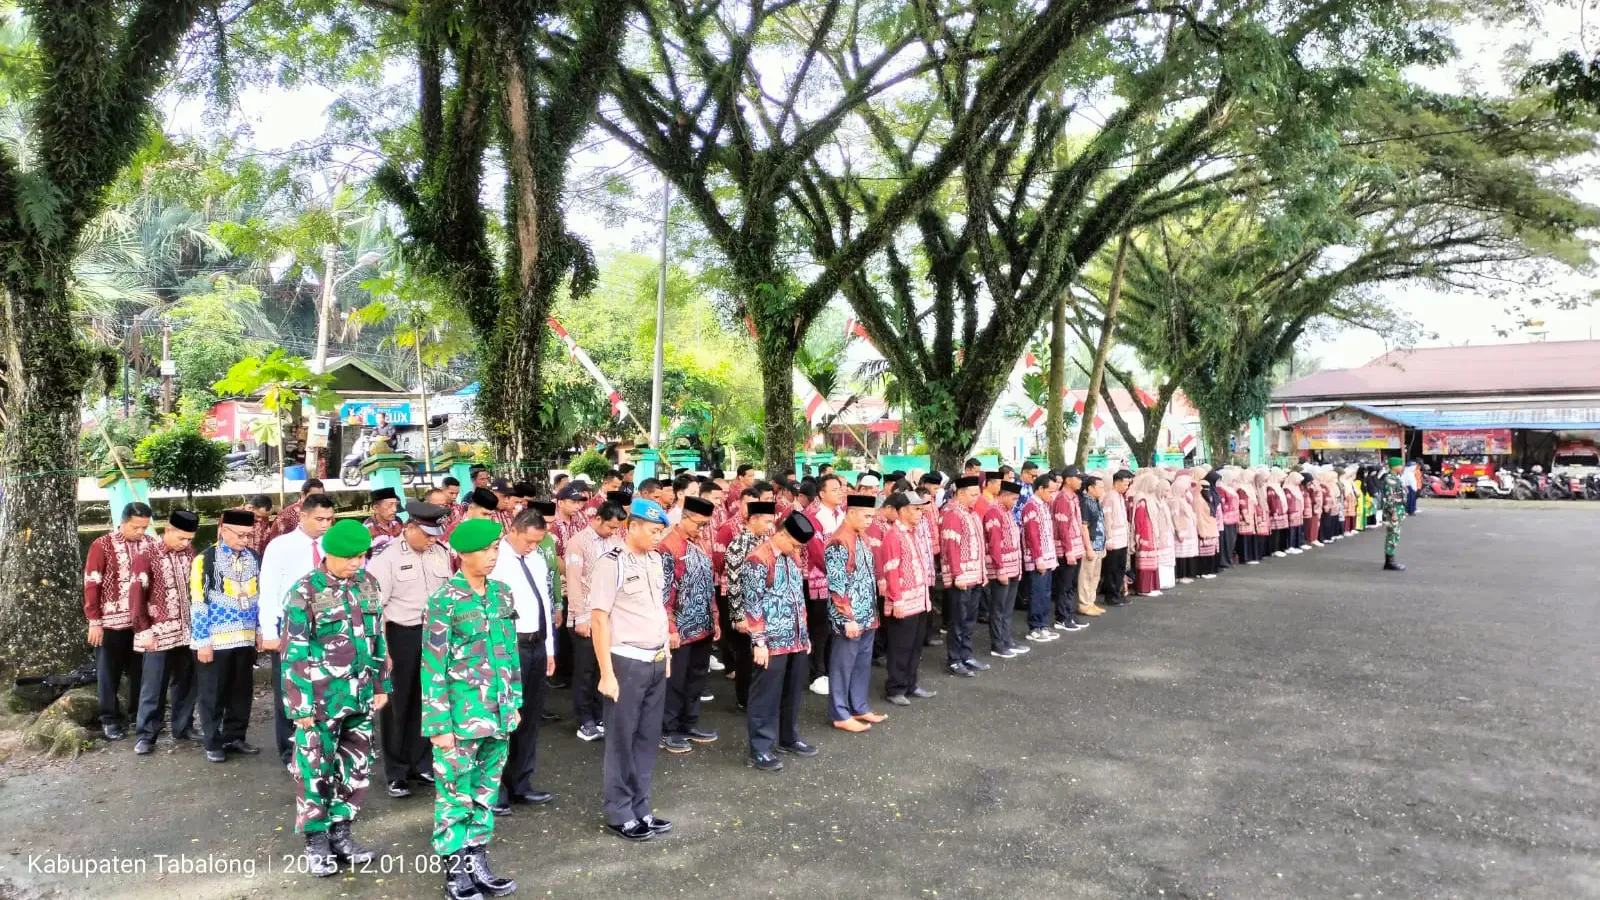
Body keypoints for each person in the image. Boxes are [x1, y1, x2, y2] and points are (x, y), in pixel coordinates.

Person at [280, 519, 389, 876]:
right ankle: (316, 842)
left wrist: (381, 685)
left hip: (359, 696)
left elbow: (376, 638)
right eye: (349, 558)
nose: (356, 563)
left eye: (361, 556)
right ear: (329, 554)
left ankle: (342, 833)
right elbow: (292, 651)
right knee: (315, 769)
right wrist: (300, 706)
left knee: (355, 767)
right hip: (320, 699)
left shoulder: (367, 583)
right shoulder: (304, 591)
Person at [420, 518, 520, 899]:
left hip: (498, 714)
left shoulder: (502, 594)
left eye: (495, 548)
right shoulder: (444, 600)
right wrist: (438, 724)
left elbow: (509, 655)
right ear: (462, 554)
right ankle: (456, 874)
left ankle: (478, 862)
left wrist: (516, 703)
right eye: (484, 550)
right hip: (459, 719)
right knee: (453, 794)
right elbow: (432, 667)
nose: (492, 556)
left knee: (485, 792)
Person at [590, 498, 674, 842]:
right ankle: (619, 812)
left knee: (647, 738)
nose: (658, 537)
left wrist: (666, 652)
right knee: (622, 740)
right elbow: (599, 618)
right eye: (653, 530)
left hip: (654, 660)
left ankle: (641, 806)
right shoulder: (612, 563)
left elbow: (658, 610)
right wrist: (606, 673)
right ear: (633, 526)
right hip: (625, 661)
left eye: (661, 531)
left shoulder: (655, 560)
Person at [367, 501, 453, 798]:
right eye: (428, 534)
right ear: (410, 528)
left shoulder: (440, 553)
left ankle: (421, 762)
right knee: (397, 705)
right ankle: (397, 771)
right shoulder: (386, 559)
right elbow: (374, 609)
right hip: (400, 636)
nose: (433, 540)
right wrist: (383, 650)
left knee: (429, 699)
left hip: (435, 636)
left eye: (435, 534)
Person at [259, 492, 338, 768]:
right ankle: (289, 749)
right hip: (291, 625)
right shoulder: (280, 546)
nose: (326, 524)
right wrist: (268, 629)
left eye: (330, 518)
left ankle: (322, 743)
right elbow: (268, 588)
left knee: (324, 684)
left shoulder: (333, 545)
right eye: (320, 519)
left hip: (329, 625)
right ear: (303, 516)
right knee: (289, 686)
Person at [743, 511, 817, 770]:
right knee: (765, 696)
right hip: (772, 641)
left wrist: (804, 634)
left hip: (795, 638)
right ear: (783, 535)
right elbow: (752, 605)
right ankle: (760, 749)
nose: (798, 550)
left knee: (792, 692)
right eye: (796, 544)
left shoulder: (791, 557)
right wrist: (759, 642)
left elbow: (798, 596)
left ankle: (788, 737)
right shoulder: (758, 558)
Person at [191, 509, 263, 763]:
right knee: (213, 692)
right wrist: (202, 642)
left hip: (244, 637)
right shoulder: (205, 559)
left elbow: (260, 597)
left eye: (249, 535)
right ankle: (212, 741)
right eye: (241, 535)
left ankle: (235, 736)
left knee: (241, 690)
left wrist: (259, 631)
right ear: (224, 531)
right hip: (214, 641)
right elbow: (198, 602)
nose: (245, 540)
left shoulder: (254, 557)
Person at [83, 501, 158, 741]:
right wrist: (94, 620)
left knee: (141, 672)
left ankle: (140, 716)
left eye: (144, 527)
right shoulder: (102, 545)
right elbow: (92, 582)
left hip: (141, 624)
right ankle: (110, 719)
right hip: (110, 623)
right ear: (123, 522)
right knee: (108, 673)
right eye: (136, 527)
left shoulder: (150, 544)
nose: (140, 532)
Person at [131, 509, 200, 754]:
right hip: (158, 632)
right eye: (181, 538)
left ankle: (183, 727)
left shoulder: (190, 554)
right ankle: (146, 735)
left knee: (186, 682)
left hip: (188, 630)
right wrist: (143, 630)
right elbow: (136, 595)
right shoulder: (146, 554)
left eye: (190, 539)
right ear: (168, 531)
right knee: (154, 686)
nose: (186, 543)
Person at [657, 496, 720, 752]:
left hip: (702, 624)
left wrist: (714, 616)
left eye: (706, 525)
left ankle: (688, 723)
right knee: (676, 682)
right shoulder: (668, 547)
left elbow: (709, 585)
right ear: (684, 518)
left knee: (696, 679)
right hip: (680, 629)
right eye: (699, 524)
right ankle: (667, 729)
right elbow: (663, 593)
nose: (702, 529)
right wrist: (670, 627)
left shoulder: (700, 543)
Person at [565, 500, 625, 742]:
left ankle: (602, 715)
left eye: (617, 528)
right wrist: (580, 617)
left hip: (609, 617)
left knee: (606, 668)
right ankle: (585, 720)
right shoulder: (577, 542)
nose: (614, 531)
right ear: (598, 518)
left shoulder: (616, 541)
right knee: (585, 672)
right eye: (611, 526)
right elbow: (573, 582)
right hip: (586, 617)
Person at [826, 494, 884, 732]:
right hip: (849, 617)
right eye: (867, 516)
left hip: (866, 614)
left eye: (872, 516)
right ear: (851, 513)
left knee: (861, 663)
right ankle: (839, 712)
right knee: (843, 665)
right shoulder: (839, 541)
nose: (871, 521)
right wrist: (846, 618)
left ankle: (858, 706)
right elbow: (837, 585)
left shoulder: (860, 537)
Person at [720, 496, 776, 711]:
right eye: (767, 522)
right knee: (745, 656)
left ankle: (759, 697)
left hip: (762, 608)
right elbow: (733, 583)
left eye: (772, 522)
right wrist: (738, 616)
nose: (771, 526)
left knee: (760, 654)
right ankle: (744, 699)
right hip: (744, 610)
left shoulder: (765, 542)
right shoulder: (738, 545)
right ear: (753, 519)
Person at [802, 473, 847, 696]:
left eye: (841, 488)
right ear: (821, 493)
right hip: (819, 580)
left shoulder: (841, 514)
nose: (840, 492)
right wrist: (839, 571)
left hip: (840, 579)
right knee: (819, 628)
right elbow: (817, 552)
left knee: (835, 626)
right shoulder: (812, 516)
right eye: (835, 489)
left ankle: (830, 669)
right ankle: (816, 674)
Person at [939, 475, 988, 678]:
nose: (976, 498)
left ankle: (966, 655)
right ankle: (954, 659)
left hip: (975, 575)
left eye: (977, 494)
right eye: (972, 494)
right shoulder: (952, 514)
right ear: (960, 493)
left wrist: (983, 571)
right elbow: (951, 547)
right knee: (958, 620)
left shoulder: (972, 514)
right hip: (961, 578)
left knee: (969, 619)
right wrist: (957, 574)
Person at [981, 481, 1027, 659]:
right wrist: (1000, 569)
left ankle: (1007, 640)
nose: (1015, 502)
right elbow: (994, 543)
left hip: (1013, 567)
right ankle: (998, 643)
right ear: (1005, 495)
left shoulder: (1007, 512)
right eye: (1014, 498)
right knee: (998, 608)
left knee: (1008, 608)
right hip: (1002, 569)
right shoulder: (994, 511)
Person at [1019, 473, 1062, 642]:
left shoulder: (1044, 505)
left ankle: (1043, 624)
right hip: (1038, 558)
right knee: (1037, 593)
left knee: (1045, 593)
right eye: (1050, 492)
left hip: (1047, 556)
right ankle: (1035, 627)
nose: (1051, 495)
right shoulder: (1031, 506)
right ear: (1040, 489)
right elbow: (1032, 535)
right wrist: (1039, 558)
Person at [1052, 467, 1092, 628]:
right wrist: (1068, 550)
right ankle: (1062, 617)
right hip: (1066, 549)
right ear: (1068, 480)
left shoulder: (1074, 497)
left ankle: (1070, 614)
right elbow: (1062, 528)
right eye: (1078, 478)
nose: (1081, 481)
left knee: (1072, 584)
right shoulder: (1062, 499)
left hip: (1076, 547)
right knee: (1065, 584)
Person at [1101, 470, 1134, 602]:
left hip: (1122, 538)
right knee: (1112, 568)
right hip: (1114, 538)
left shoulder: (1119, 496)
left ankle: (1118, 592)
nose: (1127, 487)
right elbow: (1107, 519)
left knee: (1120, 568)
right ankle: (1111, 595)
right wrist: (1108, 538)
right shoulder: (1110, 497)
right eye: (1125, 484)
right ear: (1117, 482)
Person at [1078, 476, 1109, 611]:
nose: (1103, 489)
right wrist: (1088, 548)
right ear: (1090, 488)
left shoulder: (1096, 501)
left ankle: (1091, 602)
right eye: (1100, 487)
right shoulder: (1085, 502)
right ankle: (1084, 604)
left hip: (1099, 544)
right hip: (1090, 544)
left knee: (1095, 576)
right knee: (1086, 576)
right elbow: (1084, 527)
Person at [267, 479, 327, 544]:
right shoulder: (288, 514)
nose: (317, 499)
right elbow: (275, 541)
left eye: (320, 496)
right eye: (313, 496)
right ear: (303, 494)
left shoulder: (325, 513)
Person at [1169, 472, 1199, 584]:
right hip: (1182, 531)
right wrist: (1179, 531)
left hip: (1187, 530)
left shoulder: (1182, 499)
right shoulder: (1175, 500)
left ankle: (1186, 574)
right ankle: (1181, 575)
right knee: (1181, 554)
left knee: (1186, 554)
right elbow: (1175, 517)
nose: (1186, 492)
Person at [1383, 457, 1408, 571]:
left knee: (1395, 534)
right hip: (1393, 510)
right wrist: (1393, 512)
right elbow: (1390, 497)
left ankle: (1390, 560)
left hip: (1398, 509)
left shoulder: (1395, 478)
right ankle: (1389, 561)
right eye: (1400, 465)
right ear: (1394, 466)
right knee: (1393, 535)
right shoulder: (1389, 479)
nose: (1402, 467)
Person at [364, 486, 404, 556]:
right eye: (390, 505)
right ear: (376, 508)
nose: (394, 509)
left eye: (395, 505)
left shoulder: (396, 524)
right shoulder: (366, 529)